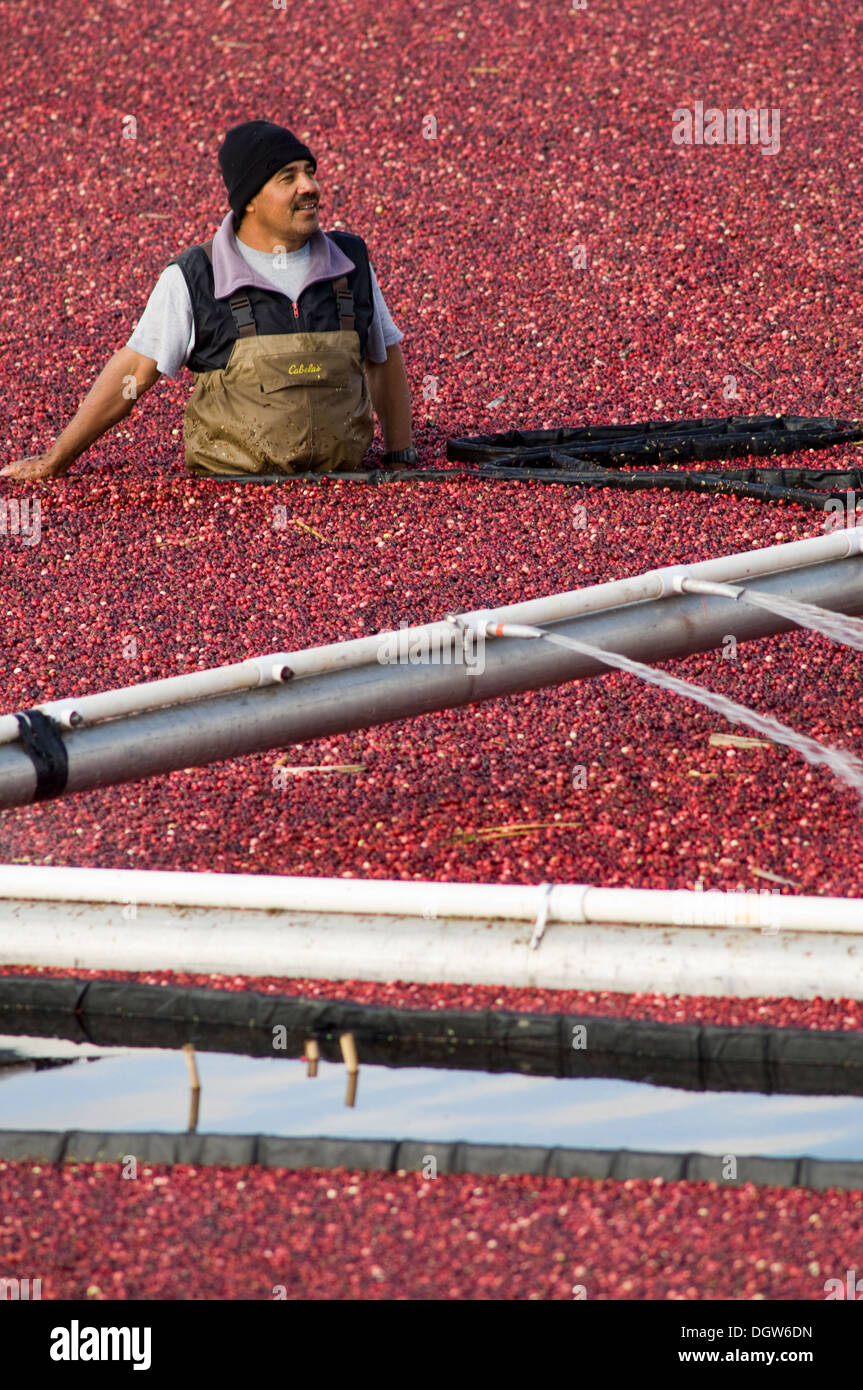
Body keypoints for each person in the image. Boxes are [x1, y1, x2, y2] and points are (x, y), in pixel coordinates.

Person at [2, 119, 416, 480]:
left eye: (309, 172)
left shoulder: (350, 262)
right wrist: (57, 459)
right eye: (287, 177)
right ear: (250, 200)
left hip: (343, 496)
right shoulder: (195, 276)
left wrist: (401, 457)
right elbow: (134, 371)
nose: (310, 186)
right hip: (232, 500)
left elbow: (383, 357)